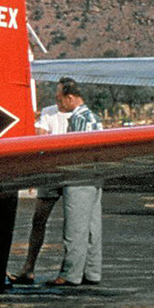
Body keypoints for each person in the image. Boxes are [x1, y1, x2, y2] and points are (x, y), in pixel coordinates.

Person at [48, 78, 103, 288]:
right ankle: (92, 271)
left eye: (60, 99)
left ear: (70, 98)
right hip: (95, 177)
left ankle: (70, 273)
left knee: (75, 229)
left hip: (79, 177)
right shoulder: (94, 118)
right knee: (92, 228)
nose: (59, 104)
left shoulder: (78, 120)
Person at [10, 103, 68, 285]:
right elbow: (39, 137)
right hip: (51, 171)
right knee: (39, 220)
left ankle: (66, 270)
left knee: (71, 224)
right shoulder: (49, 112)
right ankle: (29, 268)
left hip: (67, 170)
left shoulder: (80, 113)